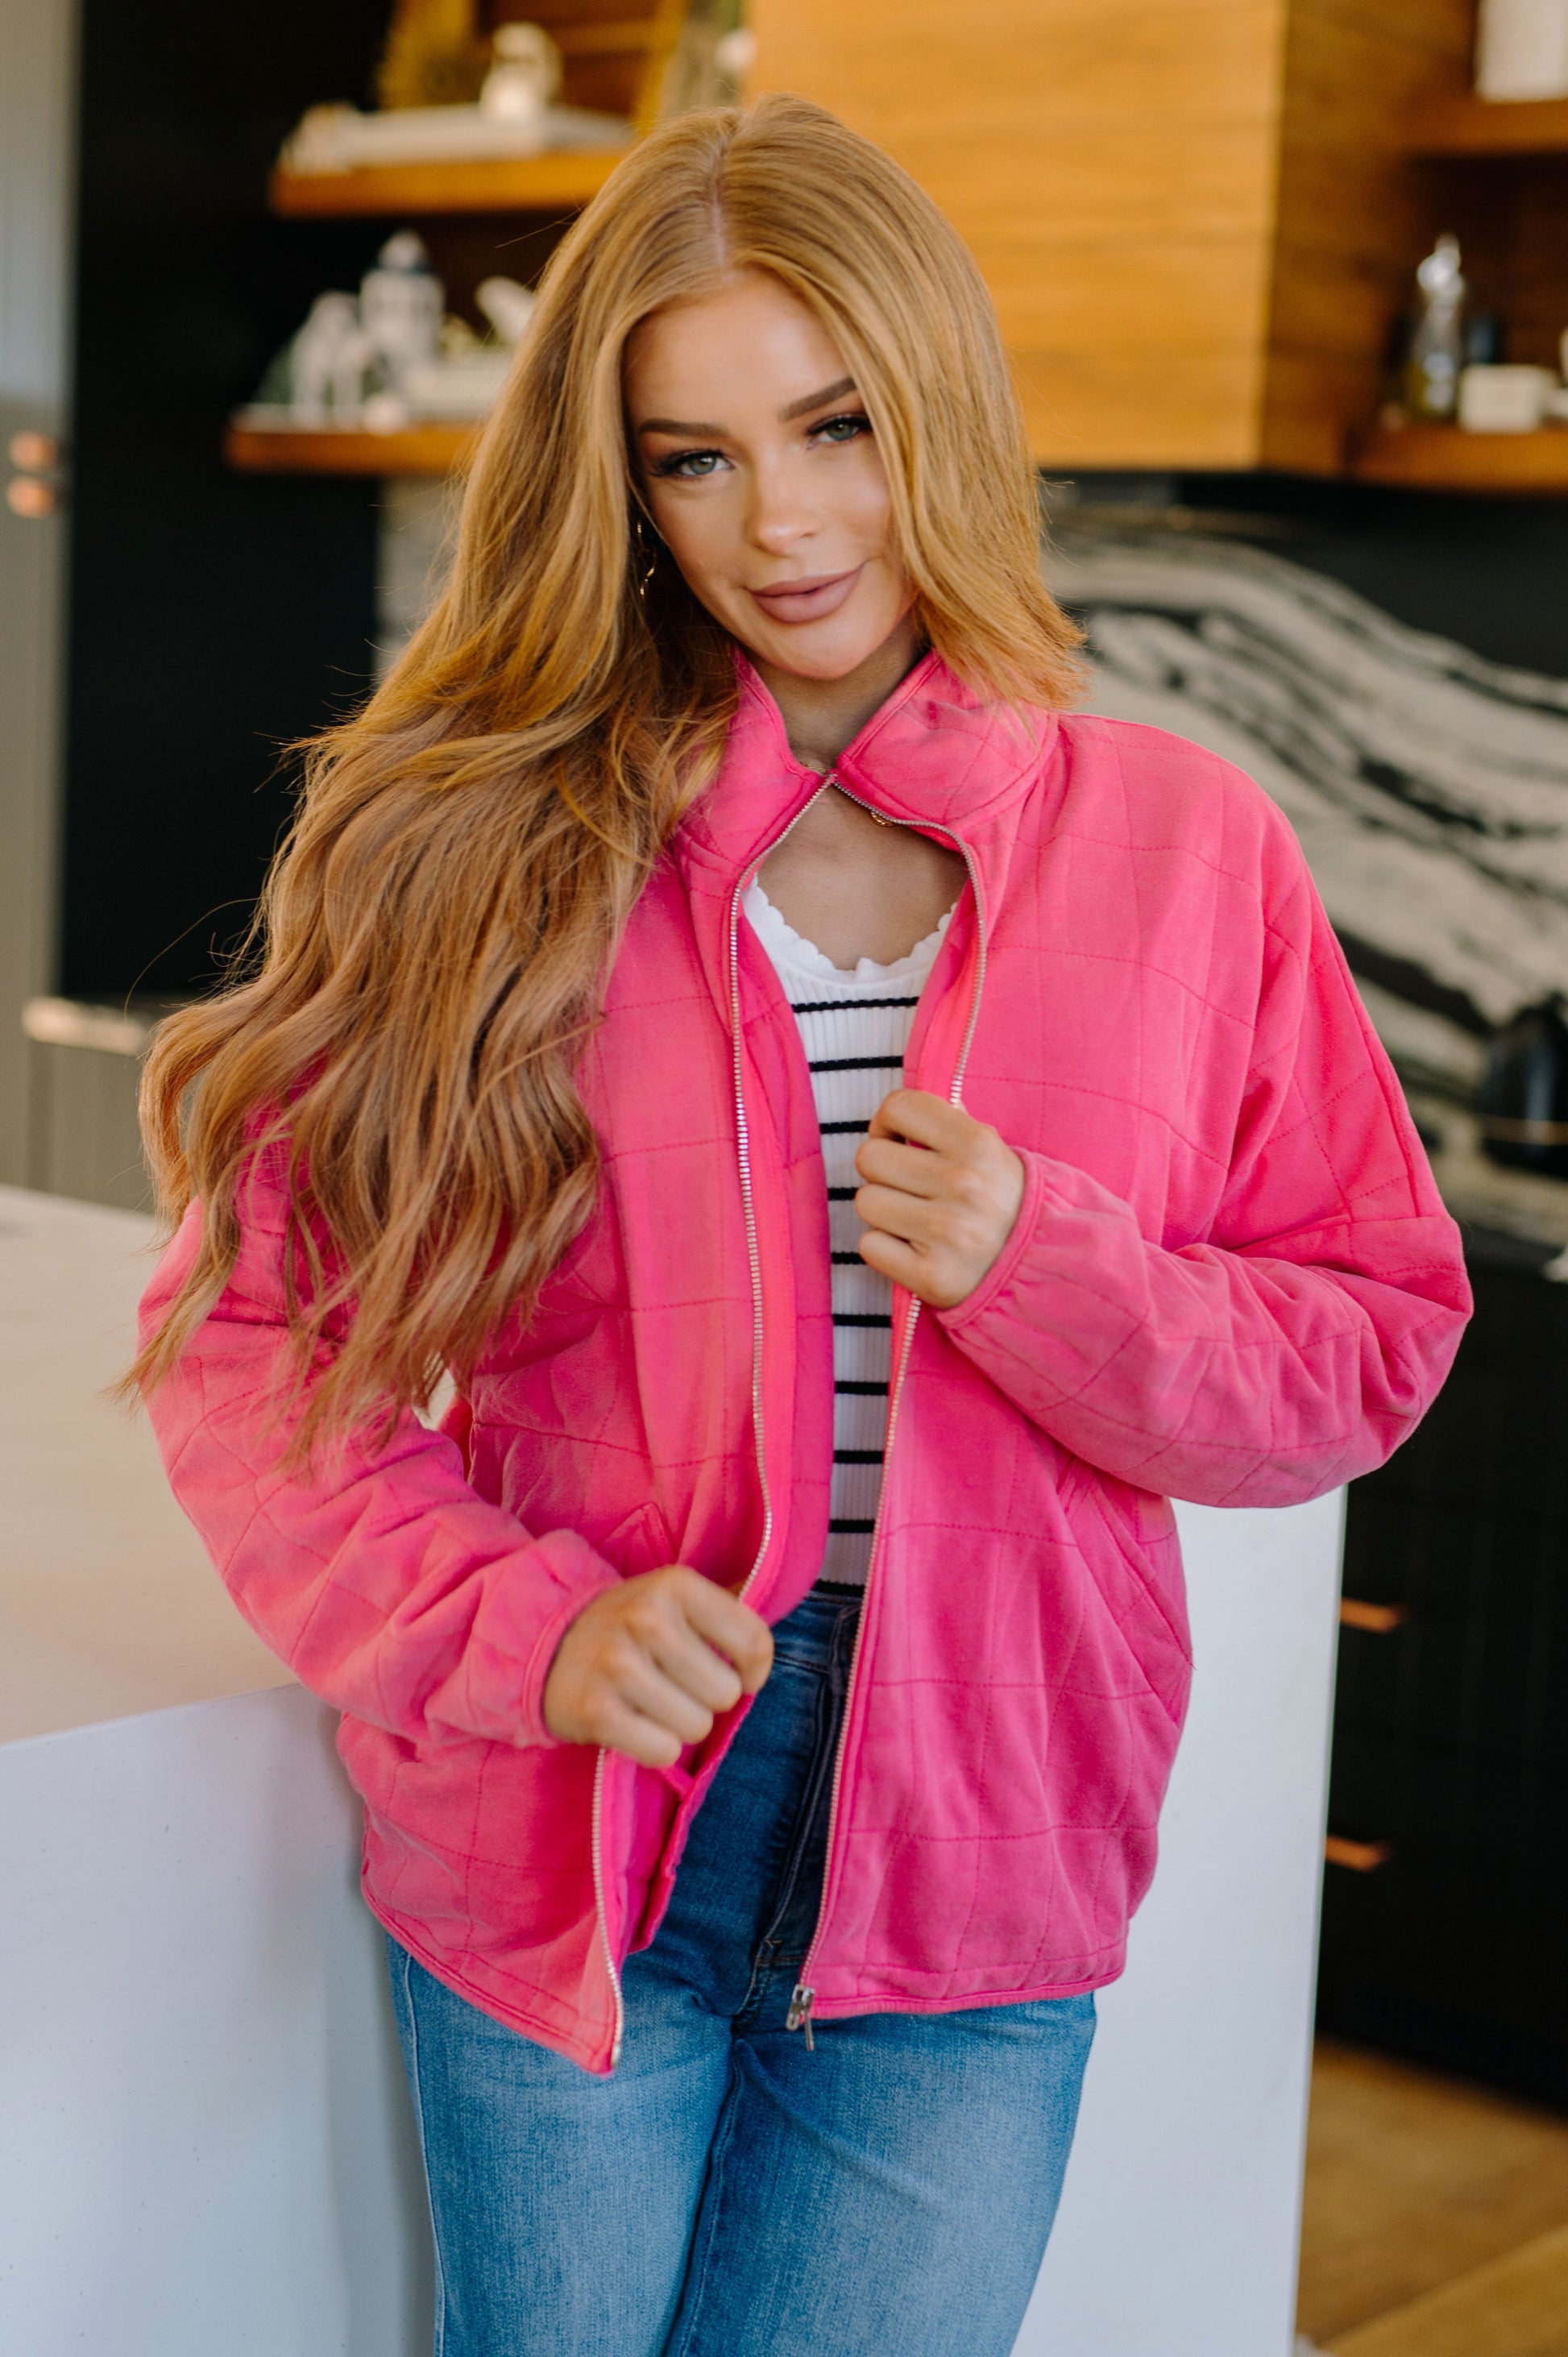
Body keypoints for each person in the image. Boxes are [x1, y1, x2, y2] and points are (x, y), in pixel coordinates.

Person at [131, 94, 1471, 2357]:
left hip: (990, 1828)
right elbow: (257, 1354)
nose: (784, 521)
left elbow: (1359, 1345)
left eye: (833, 423)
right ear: (616, 480)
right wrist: (525, 1629)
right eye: (695, 456)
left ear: (931, 394)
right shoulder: (468, 842)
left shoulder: (1184, 848)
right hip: (579, 1816)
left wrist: (1050, 1260)